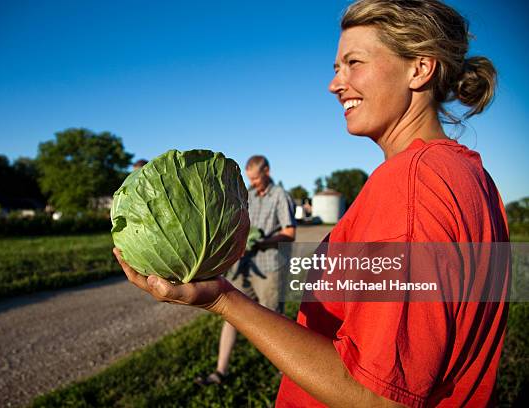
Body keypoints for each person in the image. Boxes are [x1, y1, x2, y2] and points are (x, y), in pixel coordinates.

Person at [113, 0, 509, 406]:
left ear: (419, 68)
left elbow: (380, 397)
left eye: (354, 62)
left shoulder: (413, 184)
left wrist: (221, 299)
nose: (335, 84)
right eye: (337, 68)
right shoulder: (466, 175)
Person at [194, 155, 297, 386]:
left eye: (257, 178)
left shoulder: (281, 196)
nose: (254, 183)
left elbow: (290, 234)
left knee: (273, 319)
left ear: (267, 171)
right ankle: (221, 372)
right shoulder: (248, 194)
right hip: (245, 265)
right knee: (232, 314)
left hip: (270, 265)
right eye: (250, 179)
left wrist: (261, 242)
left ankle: (287, 373)